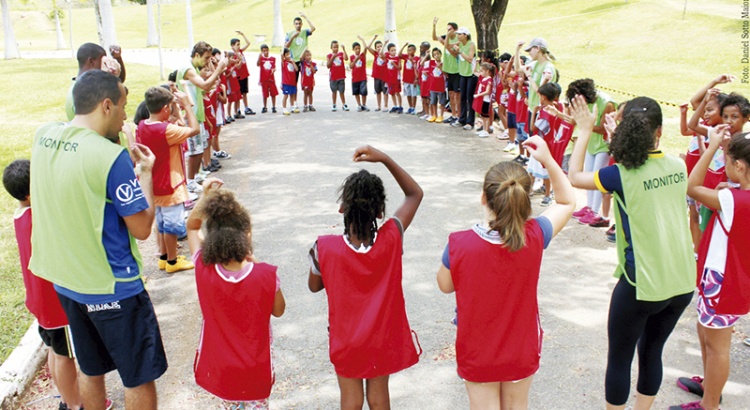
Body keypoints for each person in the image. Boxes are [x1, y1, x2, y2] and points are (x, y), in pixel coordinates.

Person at [30, 70, 167, 410]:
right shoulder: (111, 158)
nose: (125, 116)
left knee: (91, 370)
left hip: (66, 283)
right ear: (106, 106)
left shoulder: (43, 136)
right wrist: (146, 176)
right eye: (122, 106)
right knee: (137, 375)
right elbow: (141, 228)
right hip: (113, 286)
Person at [568, 95, 695, 410]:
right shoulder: (678, 165)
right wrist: (618, 137)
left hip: (642, 284)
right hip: (681, 283)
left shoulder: (619, 175)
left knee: (620, 360)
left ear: (625, 132)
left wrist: (585, 131)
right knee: (652, 352)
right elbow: (648, 172)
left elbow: (574, 178)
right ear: (660, 132)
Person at [436, 135, 574, 410]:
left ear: (484, 198)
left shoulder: (459, 244)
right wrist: (547, 159)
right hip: (521, 347)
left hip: (477, 349)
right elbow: (567, 202)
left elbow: (445, 285)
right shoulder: (535, 235)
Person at [308, 146, 423, 410]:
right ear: (380, 212)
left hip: (346, 339)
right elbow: (415, 193)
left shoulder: (323, 248)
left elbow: (314, 286)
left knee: (350, 399)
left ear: (341, 208)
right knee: (379, 395)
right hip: (382, 337)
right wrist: (384, 158)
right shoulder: (393, 236)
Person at [672, 105, 749, 410]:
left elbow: (691, 186)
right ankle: (709, 387)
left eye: (728, 162)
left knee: (718, 347)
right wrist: (729, 185)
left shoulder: (733, 200)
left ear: (740, 166)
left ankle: (710, 404)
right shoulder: (735, 195)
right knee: (705, 331)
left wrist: (713, 145)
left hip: (723, 279)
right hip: (728, 277)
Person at [187, 179, 286, 410]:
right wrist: (263, 269)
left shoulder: (204, 269)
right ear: (247, 234)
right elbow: (279, 311)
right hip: (255, 369)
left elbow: (192, 227)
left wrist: (205, 196)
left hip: (222, 369)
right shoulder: (266, 275)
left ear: (211, 236)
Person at [3, 160, 88, 410]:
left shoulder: (21, 214)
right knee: (66, 355)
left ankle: (66, 398)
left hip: (39, 299)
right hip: (55, 300)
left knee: (54, 348)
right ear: (30, 193)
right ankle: (75, 405)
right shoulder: (38, 218)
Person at [138, 86, 200, 273]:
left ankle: (164, 257)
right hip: (170, 183)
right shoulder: (167, 130)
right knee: (172, 224)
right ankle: (173, 261)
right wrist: (187, 106)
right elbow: (194, 129)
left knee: (162, 222)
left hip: (154, 182)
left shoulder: (143, 125)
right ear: (165, 108)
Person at [176, 41, 227, 194]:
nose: (206, 62)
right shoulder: (188, 69)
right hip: (190, 115)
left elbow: (203, 89)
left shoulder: (194, 70)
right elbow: (204, 86)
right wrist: (218, 69)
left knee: (199, 148)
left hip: (198, 114)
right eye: (205, 58)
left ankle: (195, 176)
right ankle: (190, 181)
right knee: (194, 150)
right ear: (196, 55)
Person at [566, 79, 616, 227]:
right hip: (591, 144)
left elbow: (602, 128)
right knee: (588, 174)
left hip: (603, 145)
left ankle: (594, 211)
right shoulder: (587, 102)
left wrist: (585, 125)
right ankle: (588, 207)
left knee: (596, 177)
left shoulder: (607, 103)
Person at [528, 82, 563, 206]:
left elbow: (533, 127)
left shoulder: (545, 113)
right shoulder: (555, 108)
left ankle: (548, 194)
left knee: (543, 170)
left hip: (543, 144)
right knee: (534, 167)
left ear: (543, 97)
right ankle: (531, 189)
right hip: (544, 143)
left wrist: (533, 113)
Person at [65, 43, 107, 121]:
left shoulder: (79, 87)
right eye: (103, 62)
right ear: (91, 61)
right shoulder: (85, 92)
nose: (105, 66)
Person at [432, 18, 461, 124]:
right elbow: (435, 38)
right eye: (447, 29)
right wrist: (434, 26)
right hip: (449, 71)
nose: (448, 31)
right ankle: (453, 115)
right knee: (451, 94)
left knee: (457, 95)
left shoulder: (459, 39)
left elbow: (452, 50)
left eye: (450, 29)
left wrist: (446, 39)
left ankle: (459, 116)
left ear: (455, 30)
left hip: (457, 70)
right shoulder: (446, 38)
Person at [451, 27, 476, 130]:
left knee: (470, 98)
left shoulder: (471, 44)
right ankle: (462, 119)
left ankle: (470, 122)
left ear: (466, 35)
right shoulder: (459, 43)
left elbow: (470, 59)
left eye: (460, 34)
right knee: (462, 97)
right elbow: (450, 47)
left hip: (470, 74)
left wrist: (460, 51)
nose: (458, 36)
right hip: (462, 73)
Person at [285, 12, 316, 92]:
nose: (298, 25)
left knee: (305, 82)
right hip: (294, 60)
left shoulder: (304, 32)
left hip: (303, 60)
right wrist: (292, 37)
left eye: (299, 23)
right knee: (294, 81)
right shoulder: (289, 34)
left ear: (302, 24)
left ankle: (306, 102)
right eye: (296, 24)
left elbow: (313, 28)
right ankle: (294, 102)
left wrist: (306, 17)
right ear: (294, 25)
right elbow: (286, 46)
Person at [231, 30, 256, 117]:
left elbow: (248, 43)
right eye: (237, 45)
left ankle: (246, 107)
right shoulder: (234, 55)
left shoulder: (240, 51)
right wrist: (240, 59)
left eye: (239, 44)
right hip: (239, 76)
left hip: (244, 75)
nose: (239, 46)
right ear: (232, 46)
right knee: (238, 94)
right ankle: (237, 109)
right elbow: (237, 66)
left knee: (245, 92)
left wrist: (243, 34)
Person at [364, 39, 388, 112]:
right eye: (378, 47)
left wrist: (384, 45)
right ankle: (378, 106)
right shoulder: (375, 54)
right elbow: (368, 47)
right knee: (378, 92)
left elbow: (382, 54)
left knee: (385, 92)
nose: (379, 48)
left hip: (384, 77)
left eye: (381, 46)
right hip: (377, 76)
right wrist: (373, 39)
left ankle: (385, 105)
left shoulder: (385, 55)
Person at [352, 36, 376, 112]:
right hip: (355, 78)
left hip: (362, 77)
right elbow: (351, 66)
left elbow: (365, 49)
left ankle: (364, 104)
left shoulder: (362, 56)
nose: (358, 50)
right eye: (356, 49)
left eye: (359, 48)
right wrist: (356, 59)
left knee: (364, 92)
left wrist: (362, 40)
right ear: (353, 50)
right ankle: (359, 105)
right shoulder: (352, 57)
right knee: (356, 92)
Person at [472, 62, 494, 138]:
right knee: (482, 116)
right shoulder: (482, 78)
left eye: (482, 71)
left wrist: (478, 95)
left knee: (486, 116)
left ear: (487, 71)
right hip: (482, 100)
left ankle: (486, 130)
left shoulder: (489, 80)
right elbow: (474, 72)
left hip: (486, 100)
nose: (480, 72)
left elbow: (487, 91)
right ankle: (484, 129)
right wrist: (476, 64)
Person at [327, 40, 349, 112]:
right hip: (333, 77)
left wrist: (344, 49)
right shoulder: (329, 56)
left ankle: (344, 104)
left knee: (342, 91)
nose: (336, 49)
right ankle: (334, 104)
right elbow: (328, 65)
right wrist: (333, 58)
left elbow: (346, 58)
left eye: (337, 47)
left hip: (341, 76)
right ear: (331, 48)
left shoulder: (341, 54)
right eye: (334, 47)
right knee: (334, 91)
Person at [257, 44, 279, 114]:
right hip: (264, 79)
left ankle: (273, 106)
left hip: (271, 79)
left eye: (266, 50)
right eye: (264, 51)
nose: (265, 52)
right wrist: (259, 58)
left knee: (273, 93)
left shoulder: (272, 59)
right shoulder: (261, 59)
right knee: (265, 94)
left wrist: (274, 69)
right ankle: (265, 106)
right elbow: (258, 64)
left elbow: (274, 67)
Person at [426, 47, 446, 123]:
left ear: (440, 54)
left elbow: (446, 74)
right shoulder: (431, 62)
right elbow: (421, 63)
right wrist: (427, 55)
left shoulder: (444, 63)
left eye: (438, 54)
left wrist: (440, 68)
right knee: (433, 101)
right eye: (434, 54)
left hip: (441, 86)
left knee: (441, 102)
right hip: (433, 86)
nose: (436, 56)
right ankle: (434, 114)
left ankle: (441, 115)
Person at [401, 43, 420, 115]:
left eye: (410, 50)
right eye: (408, 50)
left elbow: (416, 68)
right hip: (406, 79)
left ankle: (414, 108)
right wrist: (404, 46)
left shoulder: (416, 58)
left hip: (413, 80)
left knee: (413, 94)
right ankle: (410, 107)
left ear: (414, 51)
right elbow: (399, 55)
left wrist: (416, 79)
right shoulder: (406, 57)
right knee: (408, 93)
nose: (409, 52)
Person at [281, 48, 299, 116]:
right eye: (287, 54)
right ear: (284, 56)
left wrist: (293, 62)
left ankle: (292, 106)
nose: (288, 55)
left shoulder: (292, 62)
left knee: (292, 95)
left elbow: (296, 69)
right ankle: (284, 108)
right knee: (286, 96)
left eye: (289, 54)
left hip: (292, 82)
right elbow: (281, 56)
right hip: (286, 82)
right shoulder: (284, 62)